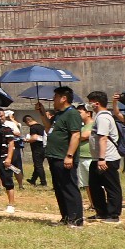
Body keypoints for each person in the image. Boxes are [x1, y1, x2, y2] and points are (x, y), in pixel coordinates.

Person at [42, 87, 86, 228]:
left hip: (64, 157)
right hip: (54, 156)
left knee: (69, 187)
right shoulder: (59, 114)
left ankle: (76, 218)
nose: (53, 100)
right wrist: (42, 113)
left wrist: (69, 155)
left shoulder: (72, 114)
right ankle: (66, 217)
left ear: (63, 98)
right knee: (59, 188)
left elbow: (76, 135)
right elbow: (49, 128)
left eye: (55, 97)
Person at [85, 91, 123, 222]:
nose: (89, 105)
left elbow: (103, 139)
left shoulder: (103, 118)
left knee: (111, 187)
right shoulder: (98, 116)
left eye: (90, 101)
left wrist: (102, 159)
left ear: (96, 102)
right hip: (97, 159)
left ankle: (113, 214)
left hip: (108, 159)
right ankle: (101, 212)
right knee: (94, 186)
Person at [26, 116, 48, 186]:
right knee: (37, 165)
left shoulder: (33, 128)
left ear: (28, 121)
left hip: (37, 149)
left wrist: (27, 140)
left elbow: (34, 138)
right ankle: (33, 179)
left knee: (38, 166)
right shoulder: (41, 126)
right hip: (43, 148)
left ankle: (43, 182)